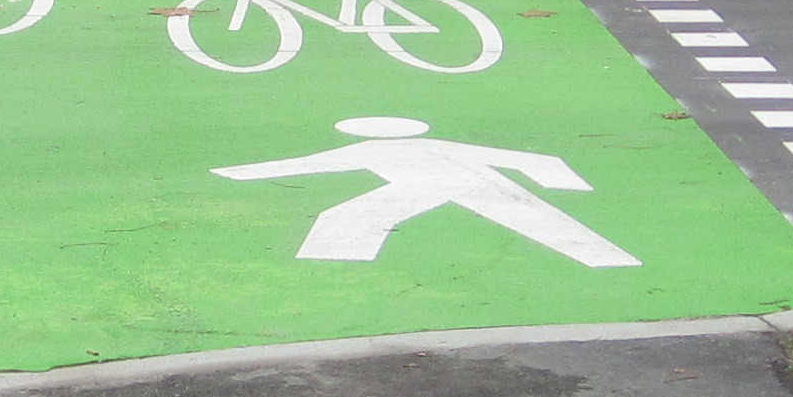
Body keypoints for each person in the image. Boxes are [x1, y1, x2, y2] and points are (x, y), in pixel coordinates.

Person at [212, 117, 639, 268]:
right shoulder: (429, 145)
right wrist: (564, 182)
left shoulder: (370, 148)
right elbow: (529, 160)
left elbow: (308, 165)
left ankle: (338, 262)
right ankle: (605, 256)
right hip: (455, 186)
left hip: (458, 185)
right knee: (547, 222)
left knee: (347, 219)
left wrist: (241, 173)